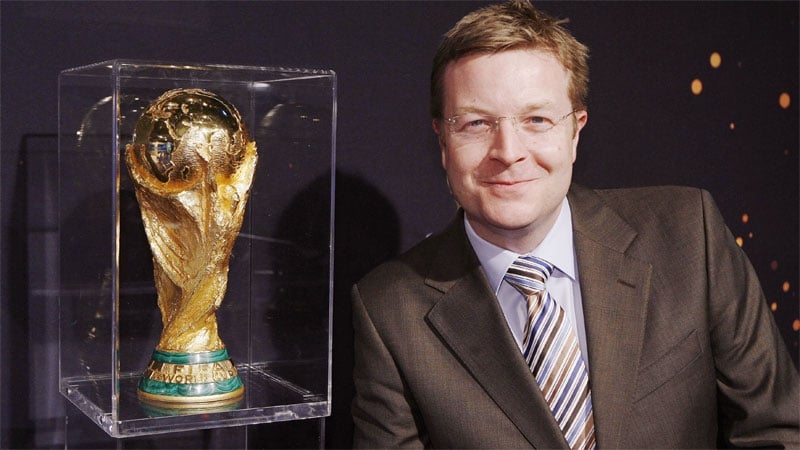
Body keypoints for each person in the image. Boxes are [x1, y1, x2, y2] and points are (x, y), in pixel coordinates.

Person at [350, 0, 800, 448]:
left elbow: (775, 432)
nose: (508, 151)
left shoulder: (687, 235)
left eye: (536, 120)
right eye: (476, 123)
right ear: (443, 141)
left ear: (575, 131)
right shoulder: (390, 312)